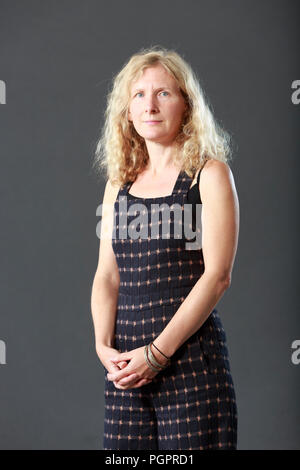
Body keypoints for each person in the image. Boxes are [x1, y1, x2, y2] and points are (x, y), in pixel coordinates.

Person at [91, 46, 240, 450]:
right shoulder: (118, 183)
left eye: (164, 94)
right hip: (126, 371)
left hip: (190, 365)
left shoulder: (208, 175)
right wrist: (103, 346)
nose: (150, 106)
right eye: (139, 95)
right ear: (126, 110)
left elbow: (218, 275)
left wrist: (157, 354)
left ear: (186, 105)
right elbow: (108, 274)